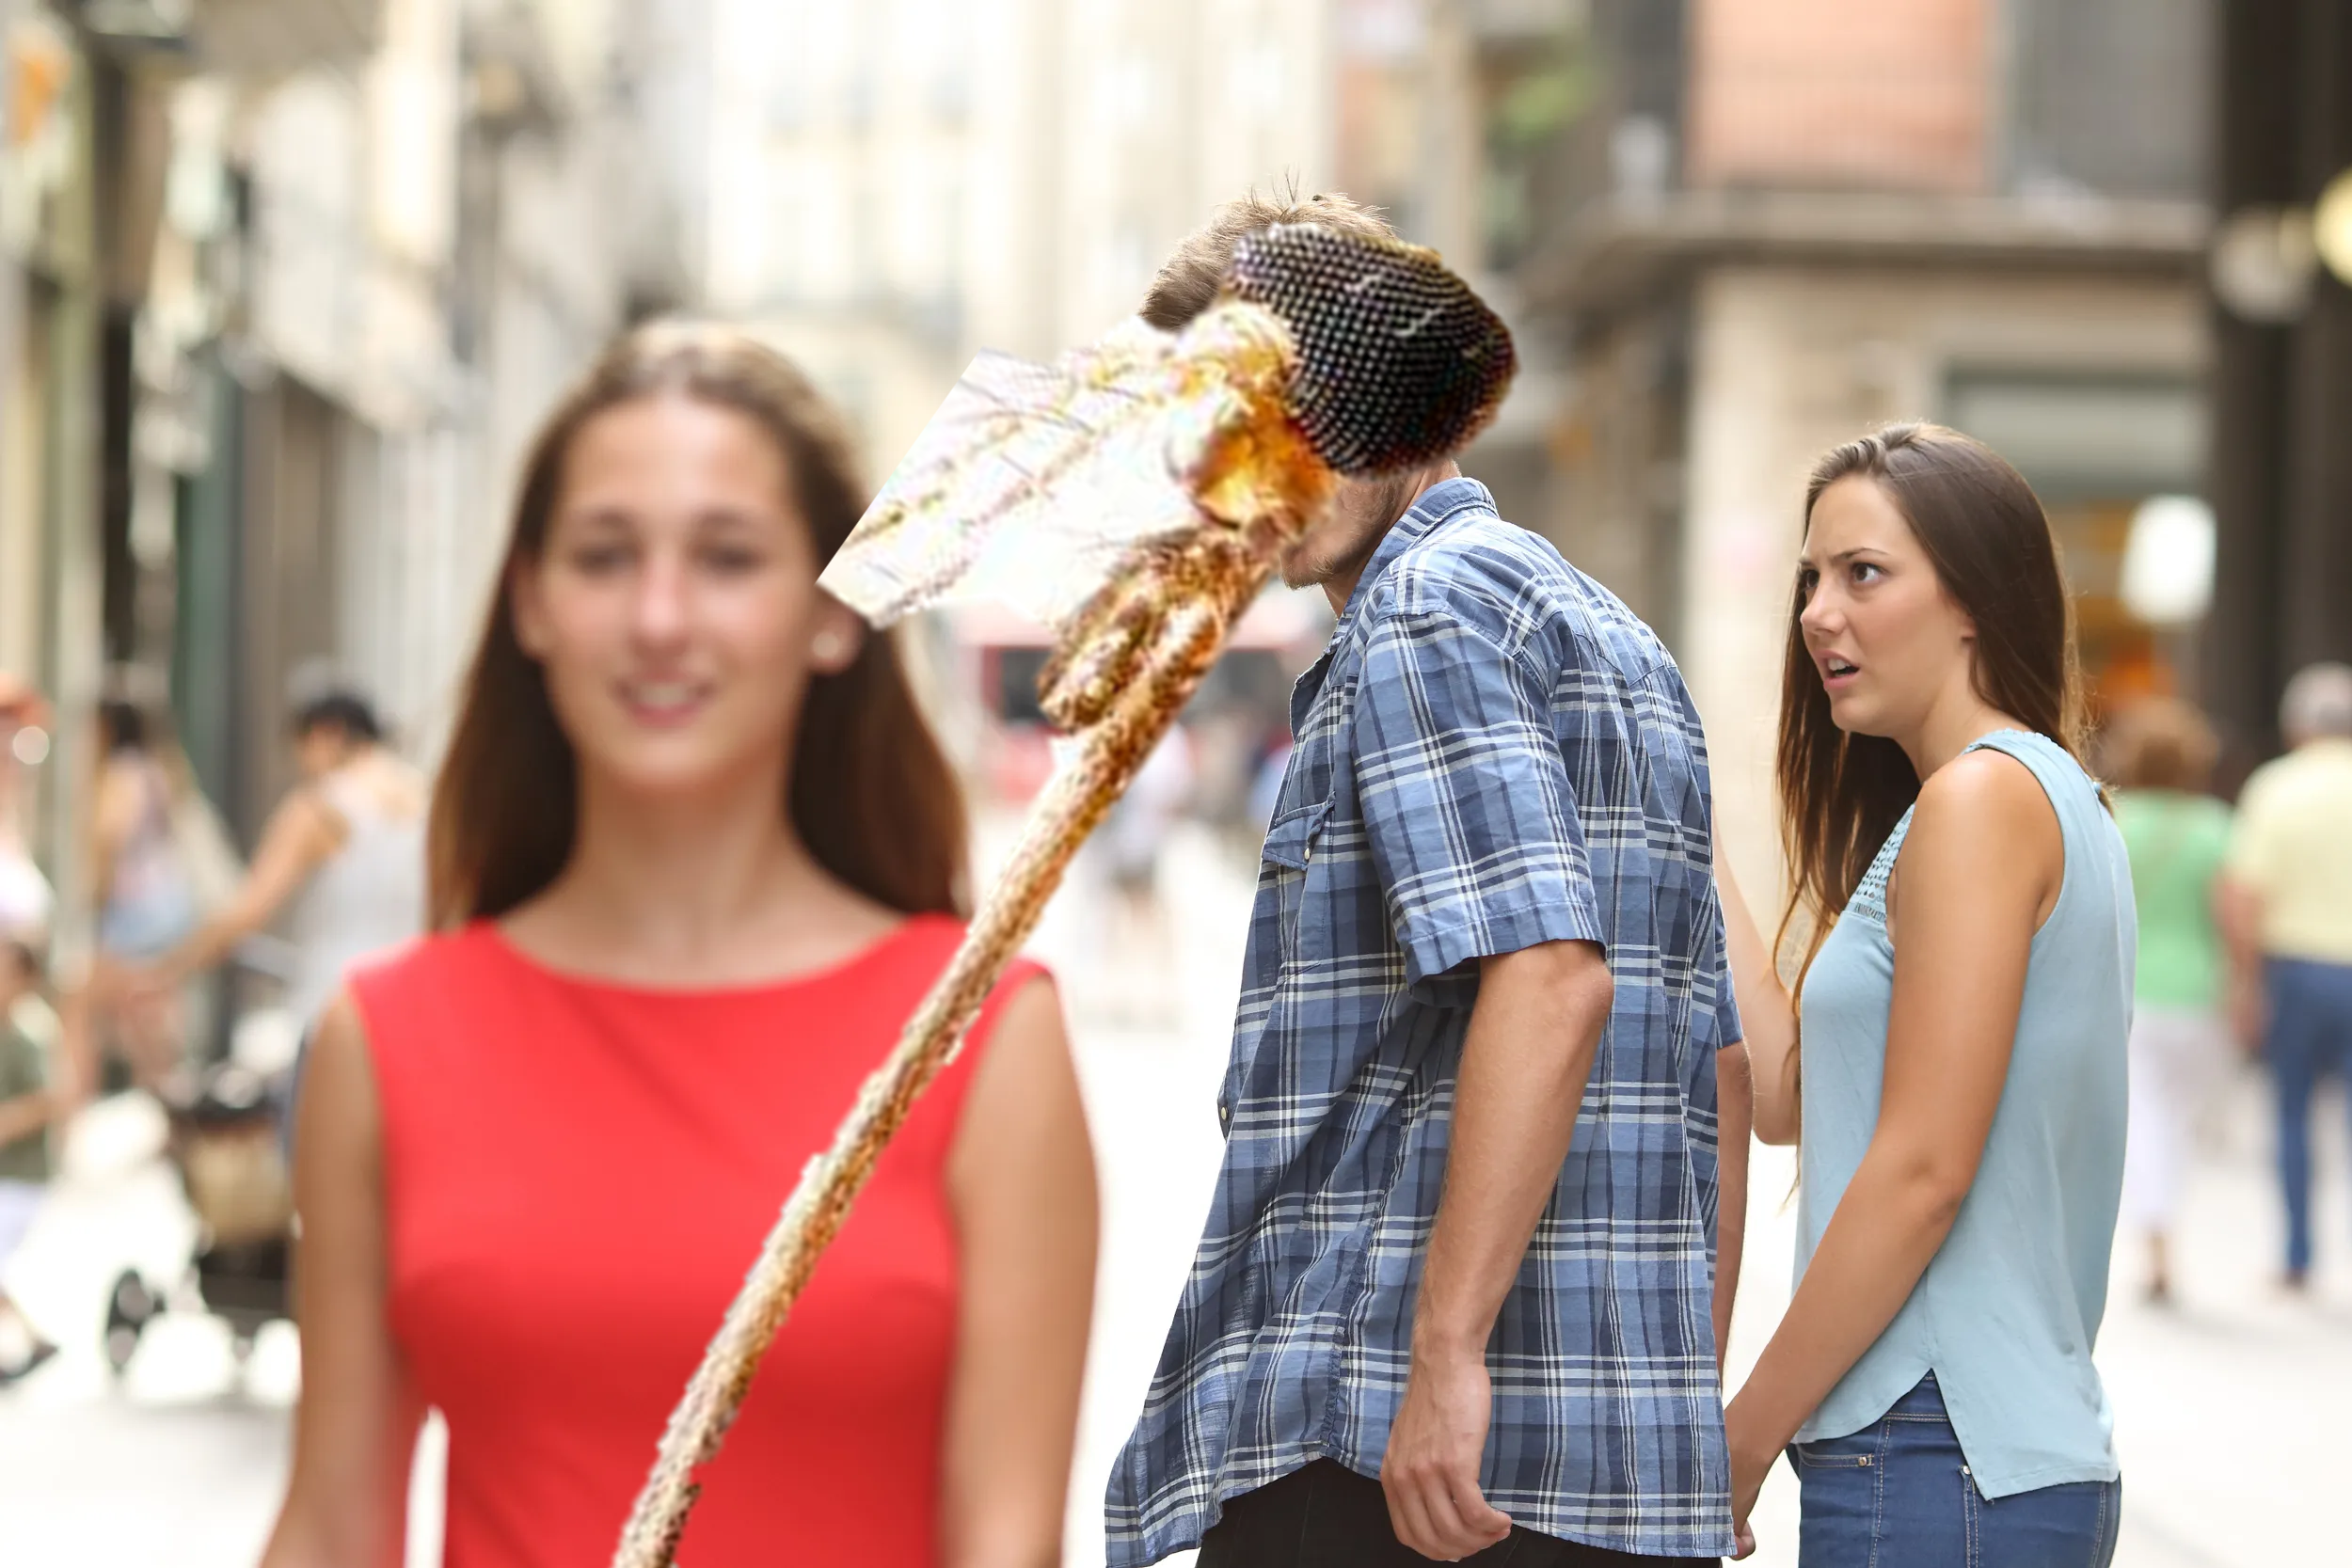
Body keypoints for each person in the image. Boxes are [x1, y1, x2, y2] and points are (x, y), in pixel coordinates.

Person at [258, 323, 1098, 1567]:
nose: (658, 616)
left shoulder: (984, 1041)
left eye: (727, 557)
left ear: (834, 612)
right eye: (605, 555)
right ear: (532, 601)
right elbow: (332, 1528)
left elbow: (1009, 1546)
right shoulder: (381, 1040)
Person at [1108, 192, 1751, 1568]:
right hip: (1603, 1464)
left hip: (1392, 1449)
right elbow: (1718, 1065)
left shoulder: (1424, 609)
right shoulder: (1612, 634)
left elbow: (1553, 977)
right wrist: (1681, 1421)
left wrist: (1446, 1352)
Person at [1713, 424, 2133, 1565]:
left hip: (1937, 1449)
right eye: (1811, 577)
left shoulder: (1978, 804)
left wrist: (1742, 1435)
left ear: (1973, 601)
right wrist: (1685, 821)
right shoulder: (2030, 797)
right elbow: (1789, 1098)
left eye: (1863, 572)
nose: (1817, 612)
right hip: (1968, 1456)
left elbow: (1919, 1172)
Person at [135, 688, 427, 1045]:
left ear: (327, 734)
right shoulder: (425, 801)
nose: (301, 766)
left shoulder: (321, 805)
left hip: (337, 1005)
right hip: (413, 1010)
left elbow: (248, 910)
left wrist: (169, 969)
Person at [2221, 661, 2352, 1292]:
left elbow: (2245, 893)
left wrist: (2245, 984)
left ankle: (2299, 1254)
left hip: (2296, 968)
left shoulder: (2276, 786)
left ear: (2298, 726)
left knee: (2293, 1115)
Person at [2107, 698, 2234, 1305]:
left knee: (2147, 1116)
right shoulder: (2214, 826)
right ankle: (2163, 1231)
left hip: (2131, 991)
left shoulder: (2115, 820)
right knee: (2175, 1119)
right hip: (2198, 993)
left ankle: (2157, 1240)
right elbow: (2233, 917)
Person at [86, 700, 200, 1085]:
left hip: (134, 907)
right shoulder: (160, 770)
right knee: (150, 1007)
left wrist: (95, 892)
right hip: (168, 901)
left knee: (92, 1004)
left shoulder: (123, 773)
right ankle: (165, 1088)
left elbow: (110, 836)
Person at [0, 931, 59, 1386]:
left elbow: (50, 1099)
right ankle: (35, 1338)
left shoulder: (31, 1033)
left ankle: (36, 1338)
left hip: (20, 1178)